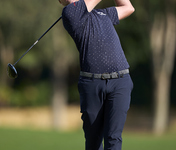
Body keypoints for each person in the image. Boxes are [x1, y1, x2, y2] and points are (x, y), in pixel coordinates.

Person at [58, 0, 134, 150]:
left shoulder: (103, 13)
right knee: (94, 142)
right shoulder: (70, 13)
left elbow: (128, 7)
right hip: (92, 84)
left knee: (113, 138)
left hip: (120, 81)